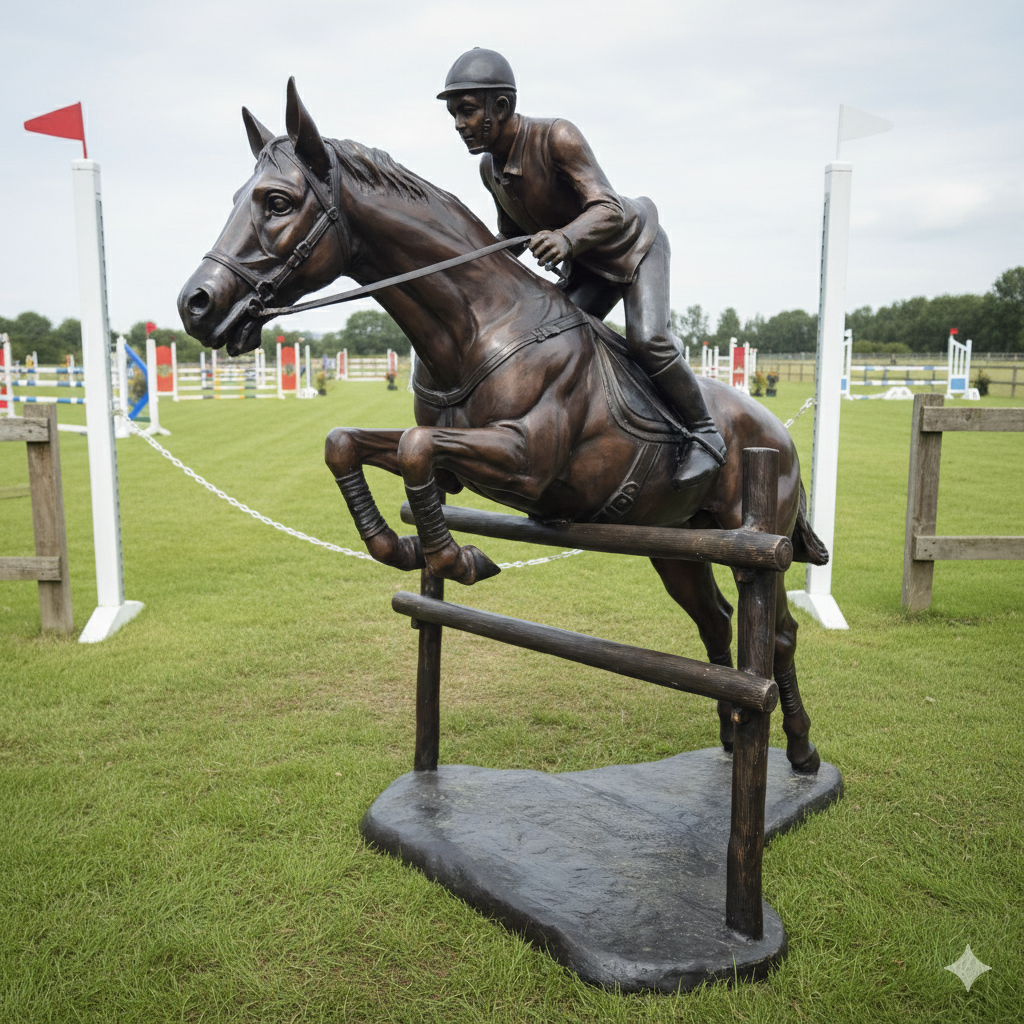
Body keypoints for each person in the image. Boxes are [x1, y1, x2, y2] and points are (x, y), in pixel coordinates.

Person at [437, 48, 727, 489]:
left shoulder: (557, 136)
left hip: (634, 247)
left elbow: (608, 207)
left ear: (502, 107)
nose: (459, 124)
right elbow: (510, 235)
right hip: (588, 266)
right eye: (454, 113)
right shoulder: (489, 169)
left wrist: (566, 238)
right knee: (547, 343)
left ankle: (707, 435)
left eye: (468, 111)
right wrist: (460, 268)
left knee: (648, 340)